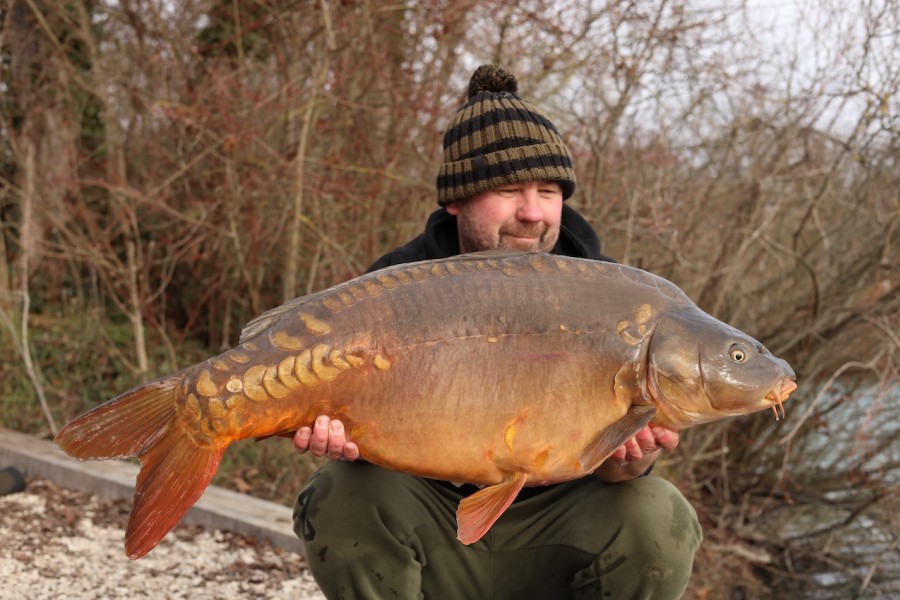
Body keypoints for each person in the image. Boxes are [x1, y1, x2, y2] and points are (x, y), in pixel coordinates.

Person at [291, 64, 702, 599]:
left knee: (657, 514)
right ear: (456, 200)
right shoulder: (393, 290)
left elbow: (618, 479)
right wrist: (336, 434)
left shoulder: (613, 300)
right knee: (341, 491)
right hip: (431, 527)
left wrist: (634, 459)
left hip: (551, 531)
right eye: (510, 190)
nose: (532, 213)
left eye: (549, 191)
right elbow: (355, 434)